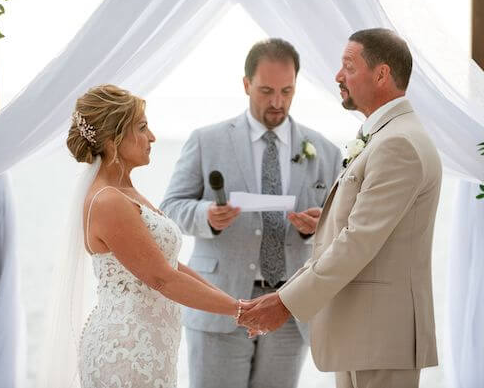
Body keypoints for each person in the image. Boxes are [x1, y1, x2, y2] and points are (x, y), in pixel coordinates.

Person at [238, 28, 443, 388]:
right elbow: (364, 228)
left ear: (381, 74)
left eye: (348, 65)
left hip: (380, 336)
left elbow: (358, 241)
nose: (337, 76)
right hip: (362, 335)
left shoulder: (398, 144)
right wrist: (328, 220)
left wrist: (286, 301)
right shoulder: (386, 136)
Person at [160, 38, 343, 388]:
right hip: (220, 303)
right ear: (246, 84)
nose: (277, 102)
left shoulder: (326, 151)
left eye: (287, 91)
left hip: (290, 310)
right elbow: (170, 207)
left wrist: (321, 225)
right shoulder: (206, 140)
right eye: (266, 91)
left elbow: (343, 228)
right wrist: (206, 217)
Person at [65, 84, 240, 388]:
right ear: (112, 139)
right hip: (127, 351)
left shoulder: (126, 192)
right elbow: (163, 279)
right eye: (142, 127)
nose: (153, 137)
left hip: (149, 345)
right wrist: (239, 311)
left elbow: (169, 265)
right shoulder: (108, 201)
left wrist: (235, 304)